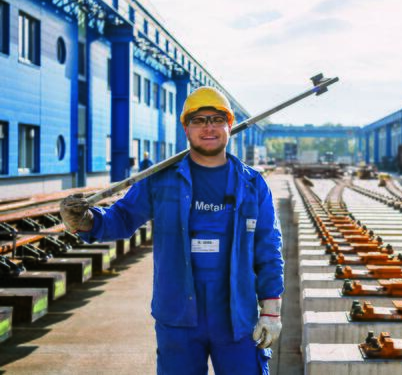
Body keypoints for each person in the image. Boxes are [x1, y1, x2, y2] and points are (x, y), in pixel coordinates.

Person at [60, 86, 285, 375]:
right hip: (177, 316)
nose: (208, 127)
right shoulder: (161, 180)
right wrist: (87, 220)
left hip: (236, 318)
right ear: (186, 129)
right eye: (198, 120)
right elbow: (122, 218)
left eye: (216, 119)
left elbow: (268, 249)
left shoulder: (252, 184)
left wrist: (271, 310)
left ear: (229, 125)